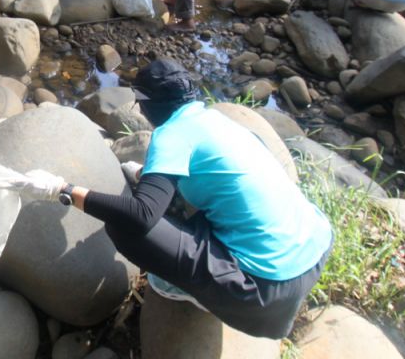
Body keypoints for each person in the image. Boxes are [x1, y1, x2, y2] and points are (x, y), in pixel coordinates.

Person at [41, 59, 333, 339]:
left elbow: (141, 214)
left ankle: (189, 290)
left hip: (264, 292)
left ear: (148, 105)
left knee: (124, 227)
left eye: (140, 104)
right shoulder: (215, 120)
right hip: (315, 248)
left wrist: (68, 190)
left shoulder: (171, 135)